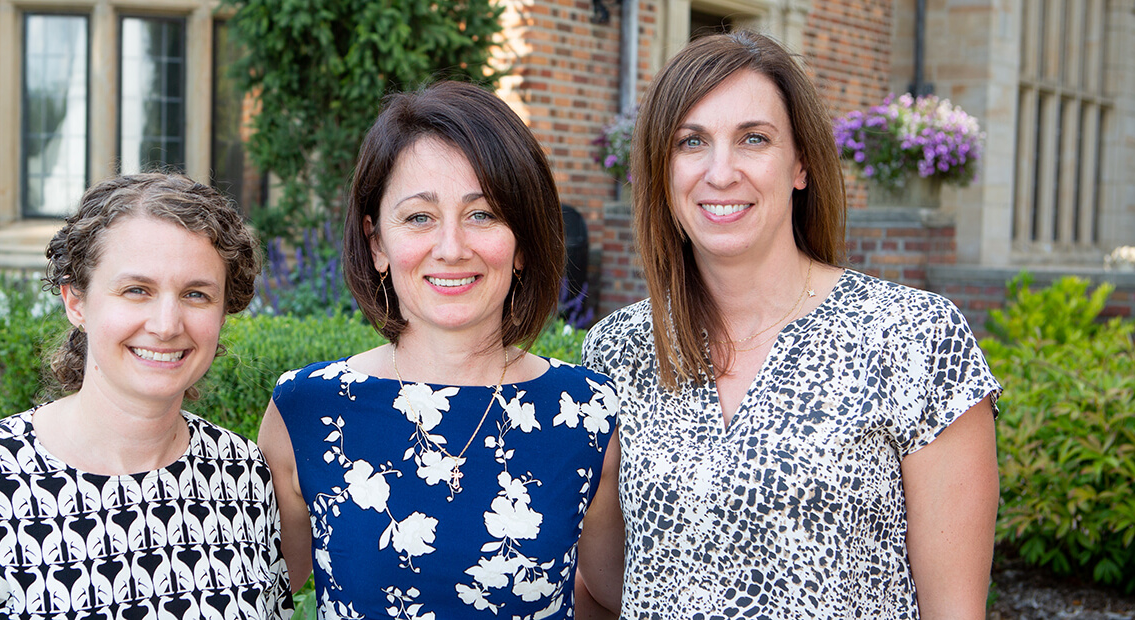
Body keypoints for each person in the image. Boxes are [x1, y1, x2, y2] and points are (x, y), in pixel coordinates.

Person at [577, 31, 1001, 619]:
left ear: (800, 164)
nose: (720, 173)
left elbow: (954, 611)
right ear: (661, 169)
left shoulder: (912, 337)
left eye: (754, 139)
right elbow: (607, 587)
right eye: (691, 142)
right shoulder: (618, 349)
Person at [257, 80, 621, 619]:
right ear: (377, 241)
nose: (451, 248)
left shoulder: (588, 414)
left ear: (522, 243)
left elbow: (611, 599)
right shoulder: (306, 410)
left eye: (483, 215)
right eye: (419, 217)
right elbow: (260, 598)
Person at [0, 174, 293, 619]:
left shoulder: (243, 476)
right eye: (137, 290)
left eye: (196, 294)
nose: (167, 324)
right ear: (76, 301)